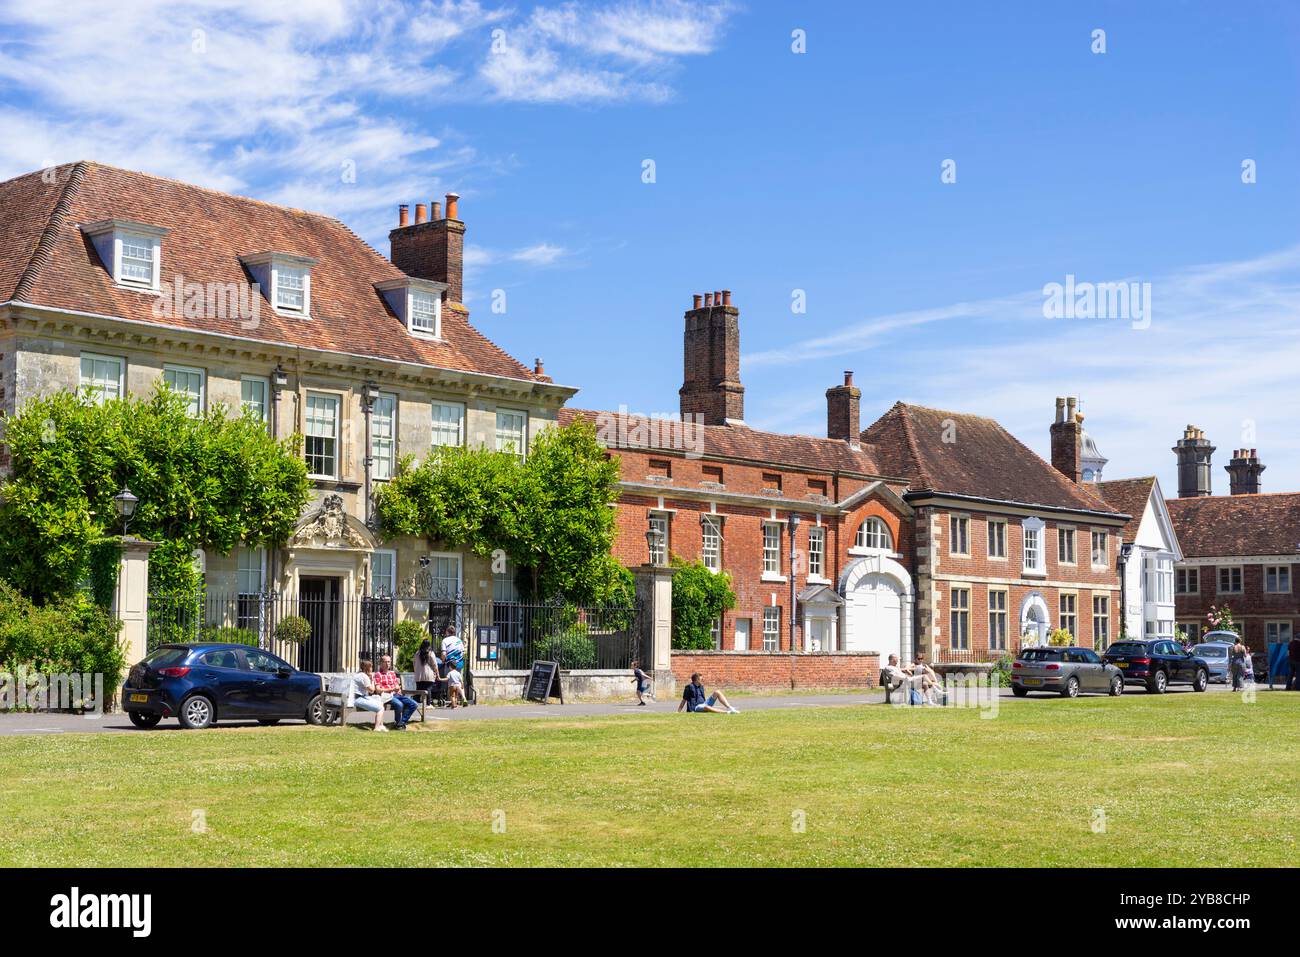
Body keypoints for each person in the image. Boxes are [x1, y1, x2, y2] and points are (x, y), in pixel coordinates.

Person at [374, 654, 418, 729]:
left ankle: (400, 723)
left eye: (389, 662)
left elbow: (396, 685)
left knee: (414, 704)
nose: (388, 664)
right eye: (386, 662)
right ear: (381, 663)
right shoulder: (378, 674)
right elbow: (378, 690)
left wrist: (398, 688)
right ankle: (399, 723)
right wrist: (392, 689)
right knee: (399, 704)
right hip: (386, 696)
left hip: (396, 695)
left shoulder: (392, 673)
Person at [351, 660, 388, 732]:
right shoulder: (364, 676)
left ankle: (381, 725)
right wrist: (373, 680)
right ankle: (377, 728)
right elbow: (372, 690)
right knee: (380, 708)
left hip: (359, 697)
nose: (372, 668)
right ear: (368, 668)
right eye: (371, 667)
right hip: (358, 699)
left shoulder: (359, 674)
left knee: (380, 701)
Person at [413, 638, 440, 705]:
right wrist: (437, 674)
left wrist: (416, 671)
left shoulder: (417, 653)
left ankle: (415, 703)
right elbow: (435, 665)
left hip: (419, 675)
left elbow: (414, 663)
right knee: (428, 689)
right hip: (428, 675)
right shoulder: (431, 653)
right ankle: (428, 704)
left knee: (419, 689)